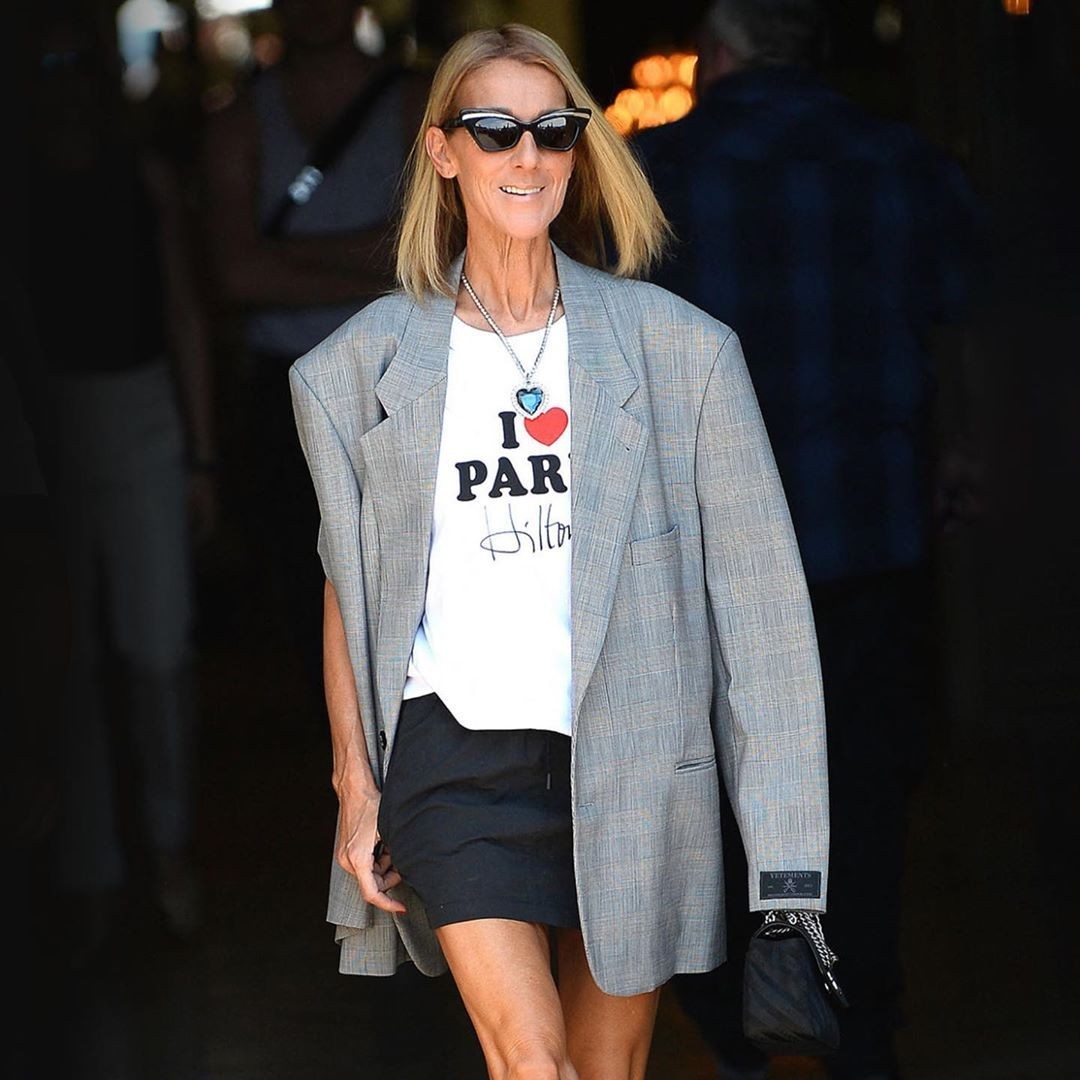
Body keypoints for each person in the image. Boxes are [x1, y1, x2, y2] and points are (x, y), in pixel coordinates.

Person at [290, 23, 830, 1080]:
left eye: (553, 129)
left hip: (634, 760)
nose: (527, 154)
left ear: (580, 148)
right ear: (444, 150)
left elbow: (765, 628)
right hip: (456, 762)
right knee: (534, 1064)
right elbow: (351, 586)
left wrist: (790, 874)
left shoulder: (680, 354)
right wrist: (357, 786)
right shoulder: (358, 368)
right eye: (495, 130)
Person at [632, 2, 984, 1077]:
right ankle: (858, 1028)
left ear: (717, 51)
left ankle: (738, 1021)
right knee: (863, 800)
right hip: (863, 533)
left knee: (705, 800)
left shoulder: (656, 170)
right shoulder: (903, 161)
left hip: (708, 551)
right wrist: (952, 451)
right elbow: (958, 324)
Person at [25, 0, 216, 955]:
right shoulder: (20, 182)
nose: (65, 84)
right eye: (48, 65)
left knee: (158, 650)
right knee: (69, 662)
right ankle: (91, 869)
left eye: (78, 62)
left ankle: (170, 847)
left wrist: (200, 452)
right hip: (46, 422)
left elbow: (182, 310)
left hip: (141, 413)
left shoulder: (142, 175)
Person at [204, 0, 429, 706]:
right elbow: (235, 275)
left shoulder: (417, 101)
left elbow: (435, 247)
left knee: (420, 584)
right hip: (288, 393)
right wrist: (382, 262)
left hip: (404, 381)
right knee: (312, 598)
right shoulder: (240, 119)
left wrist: (286, 258)